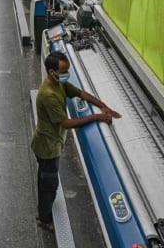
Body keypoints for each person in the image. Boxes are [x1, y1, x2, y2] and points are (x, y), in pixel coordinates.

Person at [31, 52, 122, 231]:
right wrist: (96, 117)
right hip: (47, 147)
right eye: (64, 71)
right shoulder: (48, 94)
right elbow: (66, 123)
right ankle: (44, 217)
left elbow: (80, 93)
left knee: (45, 179)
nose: (67, 74)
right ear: (52, 72)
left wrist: (104, 105)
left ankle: (43, 207)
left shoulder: (59, 83)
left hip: (49, 144)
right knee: (49, 183)